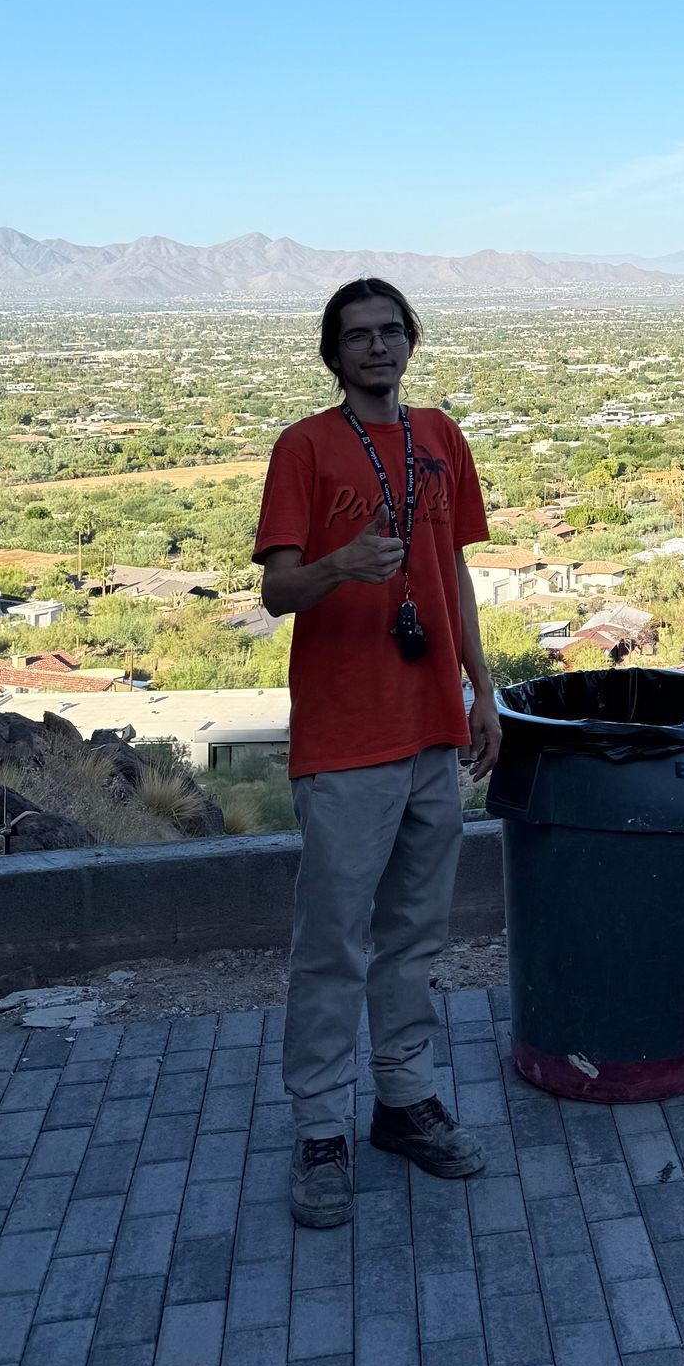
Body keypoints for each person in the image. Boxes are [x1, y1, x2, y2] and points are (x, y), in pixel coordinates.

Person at [255, 277, 501, 1228]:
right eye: (357, 335)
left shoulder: (440, 438)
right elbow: (278, 592)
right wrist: (337, 567)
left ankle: (404, 1101)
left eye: (391, 331)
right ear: (333, 352)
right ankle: (320, 1127)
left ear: (411, 342)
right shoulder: (305, 448)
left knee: (413, 937)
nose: (377, 347)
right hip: (347, 736)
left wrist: (484, 690)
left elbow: (458, 575)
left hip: (434, 726)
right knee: (332, 945)